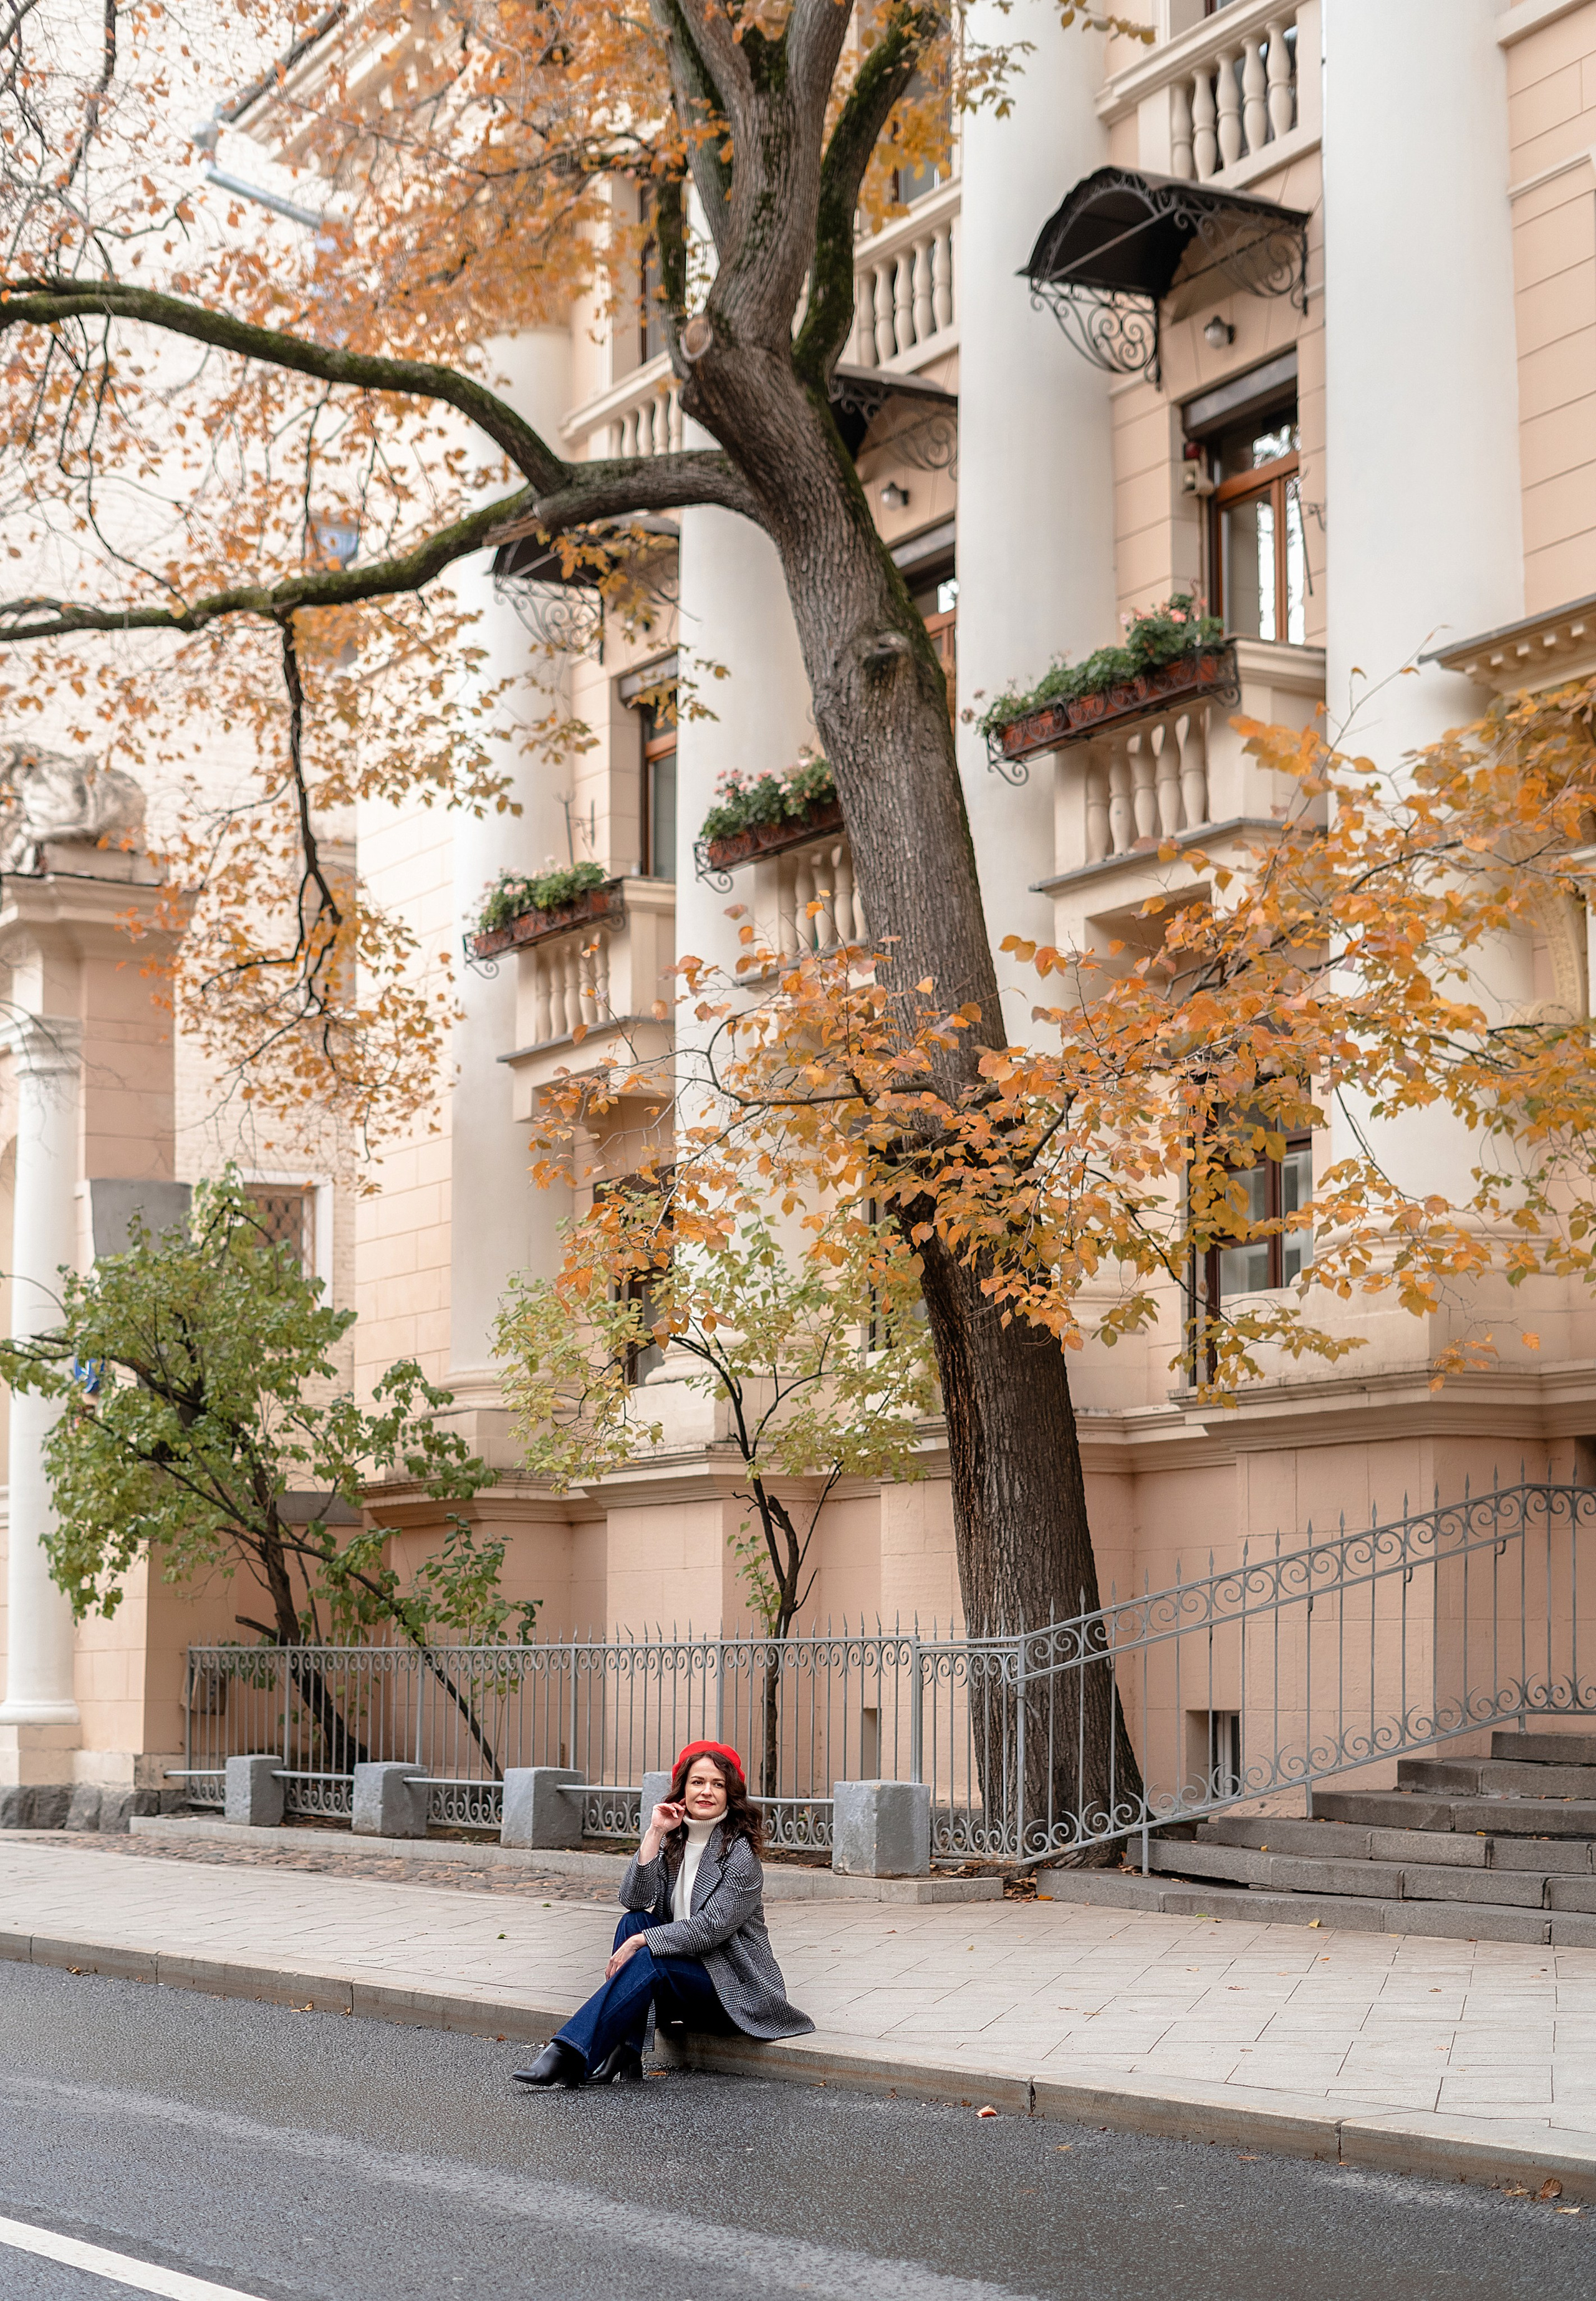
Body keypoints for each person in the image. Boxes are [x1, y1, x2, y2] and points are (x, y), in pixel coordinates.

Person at [514, 1739, 814, 2088]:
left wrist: (642, 1941)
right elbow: (633, 1898)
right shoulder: (675, 1842)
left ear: (730, 1794)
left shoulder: (740, 1855)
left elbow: (710, 1929)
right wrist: (655, 1832)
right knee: (632, 1922)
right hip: (684, 1980)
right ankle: (625, 2050)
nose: (706, 1792)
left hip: (733, 1990)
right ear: (682, 1790)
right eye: (698, 1782)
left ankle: (566, 2052)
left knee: (646, 1953)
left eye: (718, 1784)